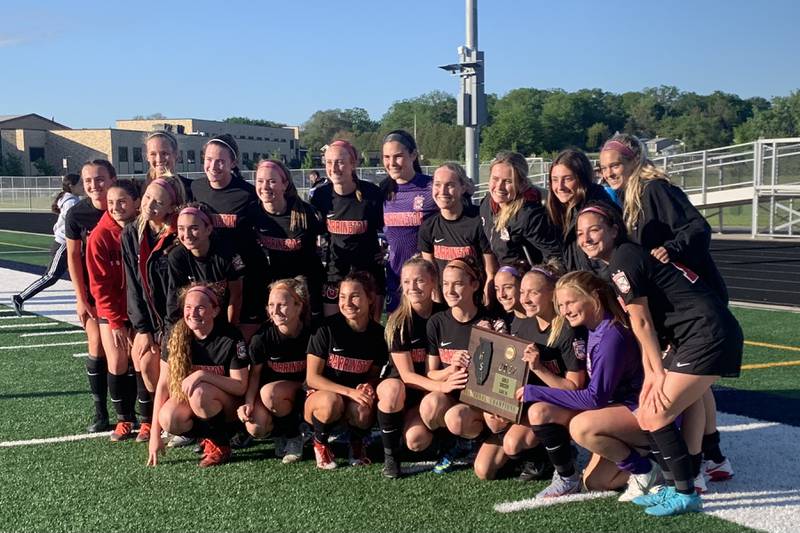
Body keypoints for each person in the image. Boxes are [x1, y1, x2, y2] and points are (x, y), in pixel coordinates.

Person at [576, 204, 743, 516]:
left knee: (653, 413)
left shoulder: (622, 259)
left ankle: (687, 493)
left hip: (706, 335)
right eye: (580, 233)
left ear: (613, 230)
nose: (586, 238)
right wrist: (655, 369)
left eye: (594, 229)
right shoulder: (626, 257)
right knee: (654, 412)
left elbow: (641, 323)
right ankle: (676, 483)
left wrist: (654, 373)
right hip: (697, 334)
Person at [599, 135, 735, 482]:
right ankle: (713, 456)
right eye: (604, 167)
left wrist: (671, 248)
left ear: (633, 161)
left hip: (694, 300)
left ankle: (699, 463)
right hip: (681, 303)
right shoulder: (629, 198)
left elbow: (698, 228)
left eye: (616, 163)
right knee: (697, 388)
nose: (611, 171)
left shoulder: (653, 189)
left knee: (690, 386)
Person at [516, 270, 644, 499]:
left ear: (594, 298)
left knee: (581, 427)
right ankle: (651, 461)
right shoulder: (590, 328)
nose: (564, 310)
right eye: (561, 304)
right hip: (614, 411)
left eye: (570, 302)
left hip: (637, 410)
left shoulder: (611, 336)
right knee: (595, 482)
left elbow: (595, 398)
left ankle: (646, 470)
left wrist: (535, 391)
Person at [146, 283, 249, 468]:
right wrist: (155, 436)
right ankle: (210, 437)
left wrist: (203, 375)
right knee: (169, 417)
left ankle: (222, 445)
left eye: (200, 308)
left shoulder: (230, 337)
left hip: (230, 406)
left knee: (200, 392)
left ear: (215, 311)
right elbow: (163, 385)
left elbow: (240, 385)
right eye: (188, 307)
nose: (192, 313)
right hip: (199, 403)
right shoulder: (175, 336)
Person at [422, 256, 503, 474]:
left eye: (457, 284)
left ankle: (475, 439)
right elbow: (431, 373)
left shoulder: (491, 321)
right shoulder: (437, 322)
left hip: (480, 400)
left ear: (474, 285)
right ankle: (452, 443)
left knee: (455, 419)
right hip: (452, 394)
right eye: (446, 284)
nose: (450, 290)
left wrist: (489, 342)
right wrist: (449, 371)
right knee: (429, 406)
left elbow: (504, 373)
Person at [122, 174, 186, 443]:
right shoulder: (131, 232)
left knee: (175, 371)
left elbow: (178, 289)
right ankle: (158, 418)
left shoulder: (178, 234)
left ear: (172, 207)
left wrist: (173, 329)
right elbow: (132, 284)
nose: (150, 205)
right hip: (149, 320)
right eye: (148, 197)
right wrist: (142, 329)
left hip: (177, 319)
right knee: (146, 363)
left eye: (159, 202)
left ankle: (181, 423)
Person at [305, 271, 389, 470]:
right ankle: (320, 443)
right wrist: (350, 392)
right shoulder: (326, 329)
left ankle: (356, 443)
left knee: (363, 406)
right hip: (321, 398)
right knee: (330, 401)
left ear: (370, 298)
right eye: (343, 297)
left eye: (355, 296)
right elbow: (312, 378)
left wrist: (369, 385)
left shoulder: (378, 335)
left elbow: (373, 374)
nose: (347, 303)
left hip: (352, 401)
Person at [376, 256, 449, 478]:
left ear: (433, 282)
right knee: (392, 389)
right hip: (404, 389)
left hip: (429, 393)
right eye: (406, 282)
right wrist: (441, 386)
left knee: (416, 441)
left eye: (419, 280)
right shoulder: (398, 321)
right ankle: (391, 457)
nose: (412, 287)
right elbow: (406, 376)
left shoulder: (445, 314)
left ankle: (447, 440)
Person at [191, 134, 265, 340]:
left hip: (246, 278)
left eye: (220, 161)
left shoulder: (249, 194)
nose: (213, 166)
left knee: (243, 343)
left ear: (233, 163)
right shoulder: (195, 189)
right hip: (210, 280)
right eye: (208, 159)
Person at [85, 179, 141, 441]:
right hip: (114, 311)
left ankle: (149, 418)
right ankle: (124, 419)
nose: (116, 207)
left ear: (136, 203)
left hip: (141, 310)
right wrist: (117, 322)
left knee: (142, 360)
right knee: (118, 359)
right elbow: (99, 286)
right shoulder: (99, 236)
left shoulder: (145, 229)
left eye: (122, 202)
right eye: (110, 203)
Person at [65, 159, 118, 432]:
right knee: (97, 346)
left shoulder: (123, 207)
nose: (94, 185)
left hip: (121, 292)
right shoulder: (77, 214)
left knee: (124, 352)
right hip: (94, 294)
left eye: (100, 179)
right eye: (88, 181)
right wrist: (79, 296)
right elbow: (73, 256)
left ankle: (127, 411)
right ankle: (100, 412)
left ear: (112, 179)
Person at [239, 278, 313, 464]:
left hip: (307, 389)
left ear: (299, 306)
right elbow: (255, 375)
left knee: (271, 393)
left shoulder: (314, 333)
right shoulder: (261, 338)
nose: (275, 311)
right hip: (274, 396)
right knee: (256, 426)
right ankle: (282, 432)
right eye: (271, 305)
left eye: (282, 304)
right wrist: (248, 402)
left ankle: (296, 435)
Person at [310, 140, 385, 320]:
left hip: (369, 272)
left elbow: (390, 229)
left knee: (369, 331)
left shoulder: (371, 194)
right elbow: (313, 231)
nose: (334, 168)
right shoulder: (321, 196)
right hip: (335, 272)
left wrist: (388, 250)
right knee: (334, 329)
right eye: (329, 162)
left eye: (340, 162)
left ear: (353, 164)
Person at [250, 159, 325, 318]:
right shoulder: (253, 212)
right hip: (276, 288)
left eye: (272, 181)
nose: (265, 187)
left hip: (307, 288)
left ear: (285, 185)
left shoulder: (304, 214)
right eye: (260, 181)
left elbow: (332, 237)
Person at [418, 163, 497, 304]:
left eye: (450, 185)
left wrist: (487, 306)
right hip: (446, 303)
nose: (442, 191)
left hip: (475, 303)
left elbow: (491, 272)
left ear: (463, 187)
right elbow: (431, 274)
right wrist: (437, 306)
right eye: (437, 185)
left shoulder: (478, 221)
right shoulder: (428, 226)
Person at [380, 130, 437, 311]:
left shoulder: (432, 187)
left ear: (413, 155)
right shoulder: (382, 190)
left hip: (425, 281)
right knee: (397, 334)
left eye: (398, 156)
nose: (391, 163)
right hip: (395, 278)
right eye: (386, 157)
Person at [13, 173, 82, 315]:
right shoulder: (71, 202)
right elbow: (72, 225)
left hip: (68, 242)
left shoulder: (72, 200)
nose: (83, 187)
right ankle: (20, 297)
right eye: (80, 184)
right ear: (72, 186)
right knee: (51, 276)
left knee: (82, 273)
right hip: (64, 243)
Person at [479, 151, 561, 271]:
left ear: (522, 184)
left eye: (508, 181)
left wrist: (535, 280)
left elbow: (554, 255)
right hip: (501, 278)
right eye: (495, 179)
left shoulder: (529, 215)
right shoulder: (486, 204)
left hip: (523, 281)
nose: (499, 187)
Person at [167, 202, 245, 328]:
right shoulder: (177, 257)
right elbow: (175, 299)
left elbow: (236, 296)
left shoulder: (227, 255)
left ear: (208, 229)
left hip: (222, 320)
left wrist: (231, 330)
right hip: (193, 320)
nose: (187, 235)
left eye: (194, 228)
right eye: (181, 228)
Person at [545, 148, 617, 271]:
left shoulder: (597, 212)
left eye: (567, 179)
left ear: (582, 178)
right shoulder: (564, 210)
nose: (560, 187)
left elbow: (606, 262)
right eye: (555, 180)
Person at [144, 130, 193, 200]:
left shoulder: (192, 189)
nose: (159, 159)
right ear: (147, 157)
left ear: (176, 154)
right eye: (153, 154)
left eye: (164, 153)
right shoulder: (140, 190)